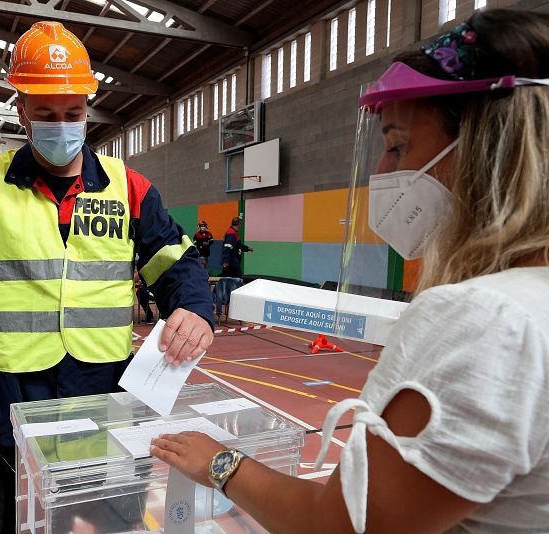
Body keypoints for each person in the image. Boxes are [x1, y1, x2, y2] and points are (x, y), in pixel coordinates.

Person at [151, 9, 549, 533]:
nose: (382, 171)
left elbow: (343, 525)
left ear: (488, 149)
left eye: (397, 145)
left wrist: (220, 463)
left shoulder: (483, 318)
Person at [0, 20, 214, 533]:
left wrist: (192, 307)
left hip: (109, 403)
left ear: (89, 109)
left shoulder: (129, 187)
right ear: (21, 111)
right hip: (21, 408)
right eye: (46, 114)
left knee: (117, 527)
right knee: (23, 527)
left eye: (73, 113)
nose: (62, 125)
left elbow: (175, 261)